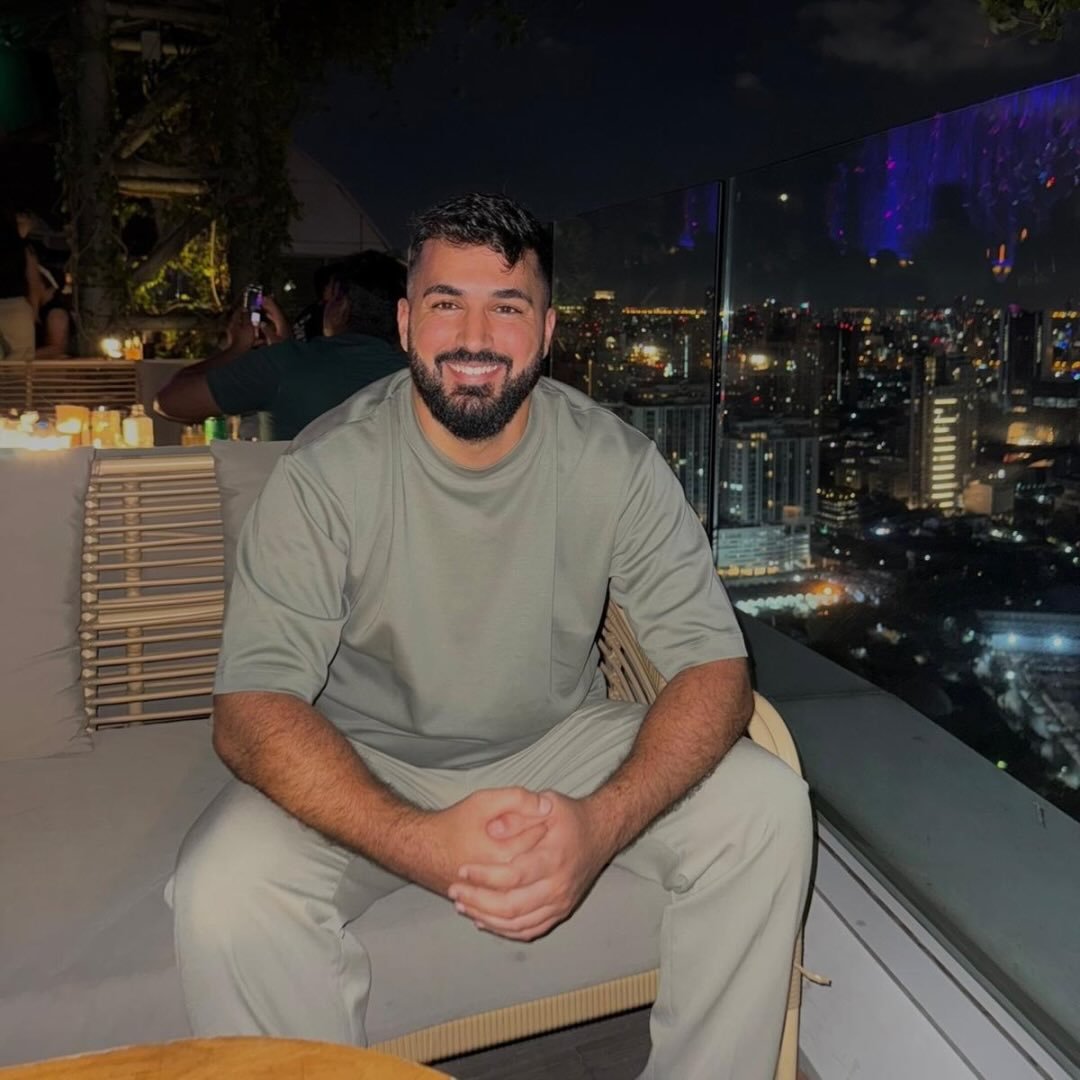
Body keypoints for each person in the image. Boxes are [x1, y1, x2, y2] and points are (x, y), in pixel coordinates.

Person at [171, 193, 812, 1079]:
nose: (474, 337)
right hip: (368, 754)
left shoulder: (614, 461)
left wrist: (600, 826)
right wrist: (422, 843)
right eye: (447, 303)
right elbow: (250, 710)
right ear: (406, 322)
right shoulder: (325, 472)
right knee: (222, 889)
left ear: (545, 332)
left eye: (506, 307)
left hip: (562, 742)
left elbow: (714, 668)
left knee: (766, 808)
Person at [154, 250, 407, 440]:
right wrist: (289, 349)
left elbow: (170, 402)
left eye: (328, 300)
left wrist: (236, 349)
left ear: (342, 307)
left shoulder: (283, 366)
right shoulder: (415, 374)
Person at [0, 209, 40, 360]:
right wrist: (34, 311)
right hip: (15, 306)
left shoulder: (22, 247)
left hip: (15, 305)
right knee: (20, 360)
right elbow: (33, 280)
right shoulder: (22, 247)